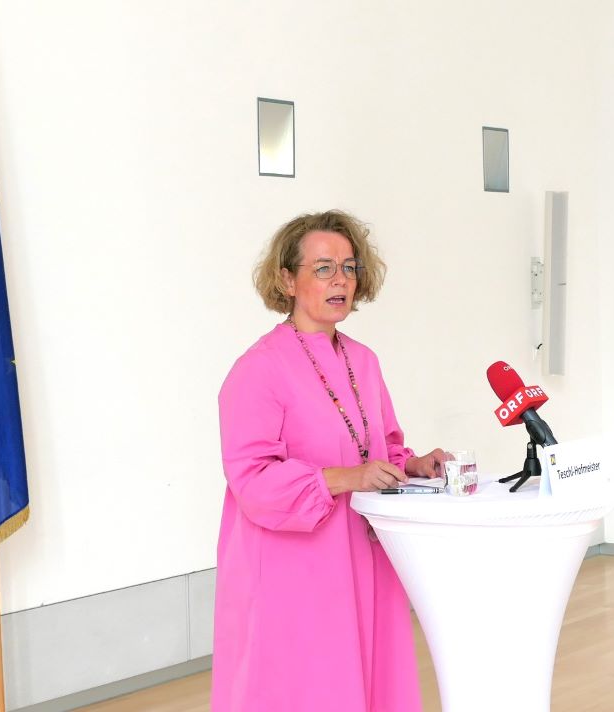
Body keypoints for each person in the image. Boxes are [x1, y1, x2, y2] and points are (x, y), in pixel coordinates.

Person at [212, 210, 445, 711]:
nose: (340, 279)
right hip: (293, 569)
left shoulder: (364, 360)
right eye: (323, 268)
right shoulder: (258, 369)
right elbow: (252, 481)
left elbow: (382, 448)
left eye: (349, 266)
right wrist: (348, 478)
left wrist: (414, 464)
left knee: (369, 683)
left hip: (362, 558)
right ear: (286, 279)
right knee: (308, 688)